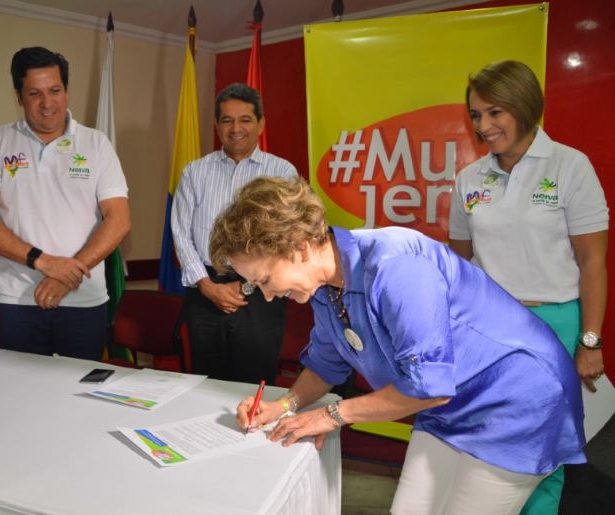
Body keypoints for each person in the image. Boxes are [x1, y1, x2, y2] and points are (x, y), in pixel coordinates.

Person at [210, 176, 585, 515]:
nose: (268, 295)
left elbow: (428, 387)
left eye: (265, 279)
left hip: (517, 399)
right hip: (448, 406)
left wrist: (331, 415)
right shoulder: (323, 289)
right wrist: (283, 405)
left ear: (299, 245)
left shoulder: (395, 264)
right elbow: (326, 363)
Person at [448, 60, 608, 514]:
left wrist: (590, 341)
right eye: (476, 115)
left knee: (543, 446)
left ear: (523, 105)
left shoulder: (570, 166)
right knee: (486, 440)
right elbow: (459, 262)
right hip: (488, 326)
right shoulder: (470, 179)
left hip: (553, 323)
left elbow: (593, 261)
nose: (483, 126)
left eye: (494, 112)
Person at [0, 47, 130, 360]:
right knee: (21, 387)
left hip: (84, 299)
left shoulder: (96, 143)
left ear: (66, 91)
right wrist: (43, 262)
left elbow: (119, 219)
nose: (47, 103)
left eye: (55, 90)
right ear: (19, 96)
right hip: (18, 300)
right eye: (35, 93)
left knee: (81, 388)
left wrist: (66, 275)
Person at [171, 83, 297, 384]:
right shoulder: (195, 172)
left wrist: (249, 286)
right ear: (217, 125)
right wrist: (206, 286)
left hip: (262, 297)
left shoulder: (283, 174)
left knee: (254, 387)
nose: (235, 128)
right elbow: (180, 233)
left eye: (245, 120)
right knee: (205, 385)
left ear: (261, 124)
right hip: (205, 293)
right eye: (227, 120)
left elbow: (289, 240)